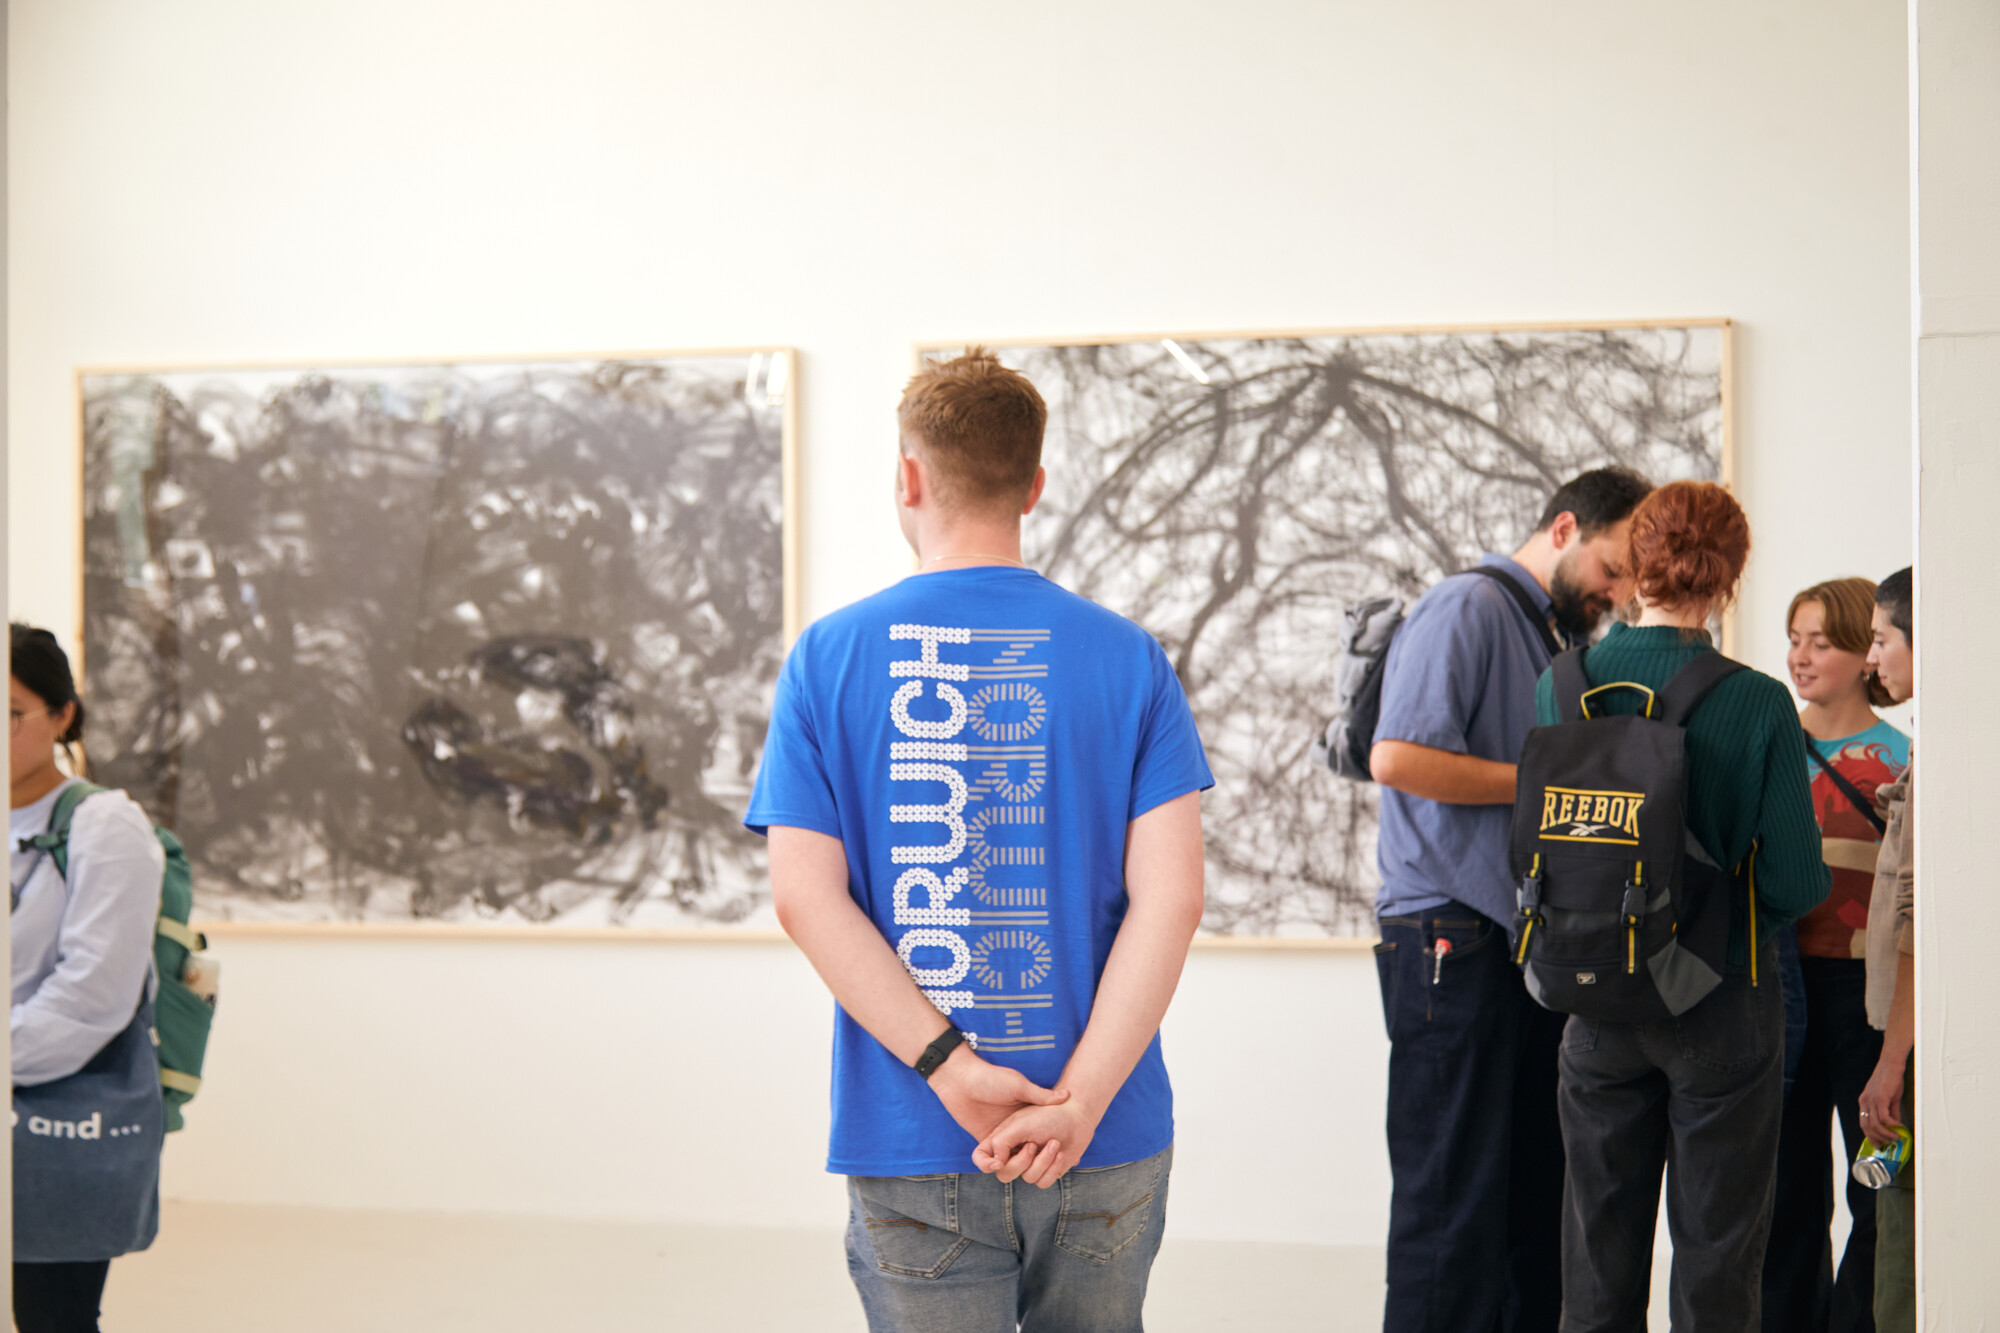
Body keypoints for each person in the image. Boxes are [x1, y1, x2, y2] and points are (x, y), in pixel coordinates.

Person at [745, 349, 1213, 1333]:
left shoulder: (828, 657)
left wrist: (952, 1069)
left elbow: (803, 895)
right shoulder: (1126, 657)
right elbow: (1170, 900)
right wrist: (1078, 1102)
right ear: (1034, 484)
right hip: (1102, 1132)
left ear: (907, 478)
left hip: (917, 1132)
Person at [1368, 465, 1653, 1333]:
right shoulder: (1468, 606)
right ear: (1564, 529)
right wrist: (1550, 778)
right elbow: (1398, 757)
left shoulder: (1545, 630)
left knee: (1526, 1199)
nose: (1615, 593)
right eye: (1611, 568)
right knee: (1450, 1202)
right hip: (1449, 937)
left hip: (1509, 937)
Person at [1541, 482, 1830, 1331]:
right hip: (1720, 1002)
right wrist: (1709, 936)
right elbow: (1794, 881)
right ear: (1731, 575)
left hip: (1590, 998)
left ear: (1635, 562)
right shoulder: (1755, 701)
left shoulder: (1558, 686)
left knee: (1595, 1258)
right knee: (1716, 1261)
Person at [11, 625, 167, 1333]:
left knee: (52, 1316)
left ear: (62, 714)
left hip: (49, 1115)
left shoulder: (105, 826)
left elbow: (92, 998)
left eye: (11, 714)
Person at [1764, 578, 1909, 1333]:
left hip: (1868, 1002)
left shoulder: (1904, 759)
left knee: (1878, 1181)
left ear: (1865, 652)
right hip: (1777, 996)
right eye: (1794, 638)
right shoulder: (1770, 745)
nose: (1801, 656)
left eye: (1821, 641)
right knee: (1785, 1193)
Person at [1856, 568, 1915, 1333]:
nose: (1874, 658)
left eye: (1881, 638)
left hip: (1912, 1050)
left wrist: (1891, 1060)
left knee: (1901, 1251)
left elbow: (1915, 926)